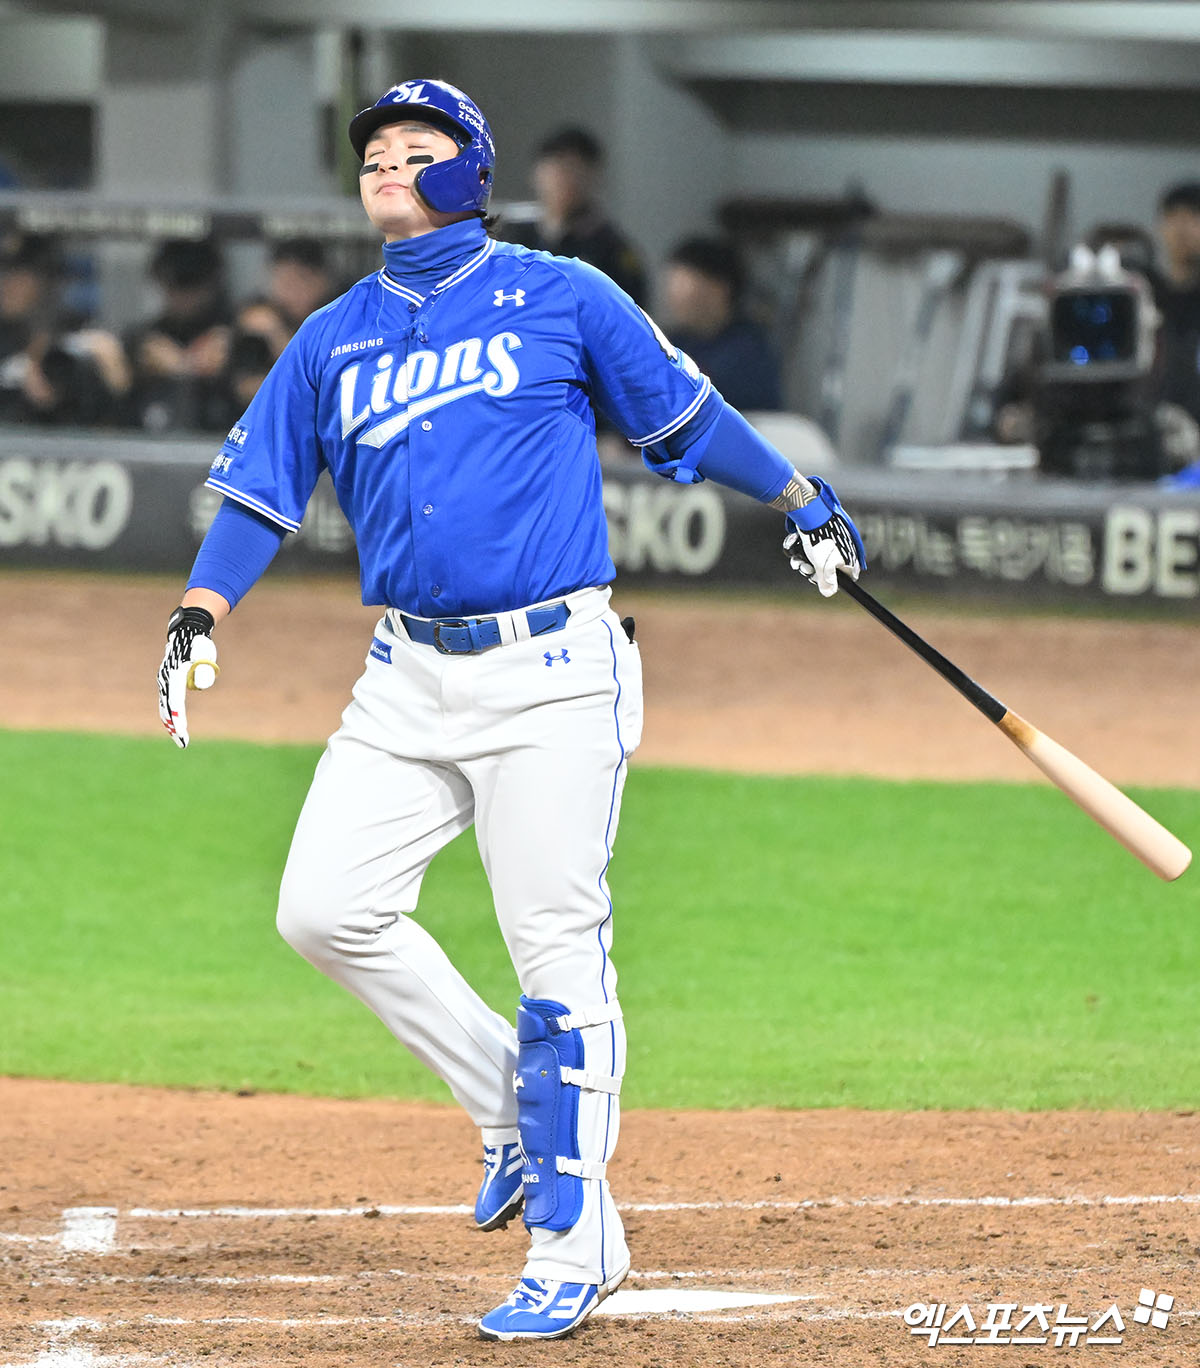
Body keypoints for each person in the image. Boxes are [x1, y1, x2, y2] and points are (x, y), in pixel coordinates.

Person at [155, 78, 864, 1343]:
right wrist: (205, 607)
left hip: (551, 675)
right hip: (407, 677)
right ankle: (507, 1110)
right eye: (373, 150)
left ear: (468, 173)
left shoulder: (562, 295)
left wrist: (801, 497)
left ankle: (577, 1248)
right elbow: (263, 491)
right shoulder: (333, 337)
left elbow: (684, 413)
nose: (386, 163)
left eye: (413, 149)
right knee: (324, 907)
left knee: (557, 956)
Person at [503, 126, 647, 306]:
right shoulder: (514, 239)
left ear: (594, 176)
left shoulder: (612, 252)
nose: (564, 178)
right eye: (557, 168)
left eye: (574, 169)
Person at [660, 236, 783, 413]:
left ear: (720, 288)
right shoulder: (672, 343)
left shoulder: (749, 350)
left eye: (682, 284)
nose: (672, 296)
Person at [127, 236, 232, 432]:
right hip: (155, 441)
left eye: (193, 286)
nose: (184, 297)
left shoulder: (230, 333)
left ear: (211, 283)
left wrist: (229, 365)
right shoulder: (144, 339)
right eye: (175, 286)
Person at [1145, 181, 1200, 425]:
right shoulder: (1146, 294)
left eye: (1192, 217)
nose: (1182, 228)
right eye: (1173, 217)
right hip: (1152, 419)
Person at [266, 238, 338, 334]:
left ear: (321, 281)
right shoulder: (266, 322)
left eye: (296, 281)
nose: (286, 291)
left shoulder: (340, 324)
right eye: (281, 281)